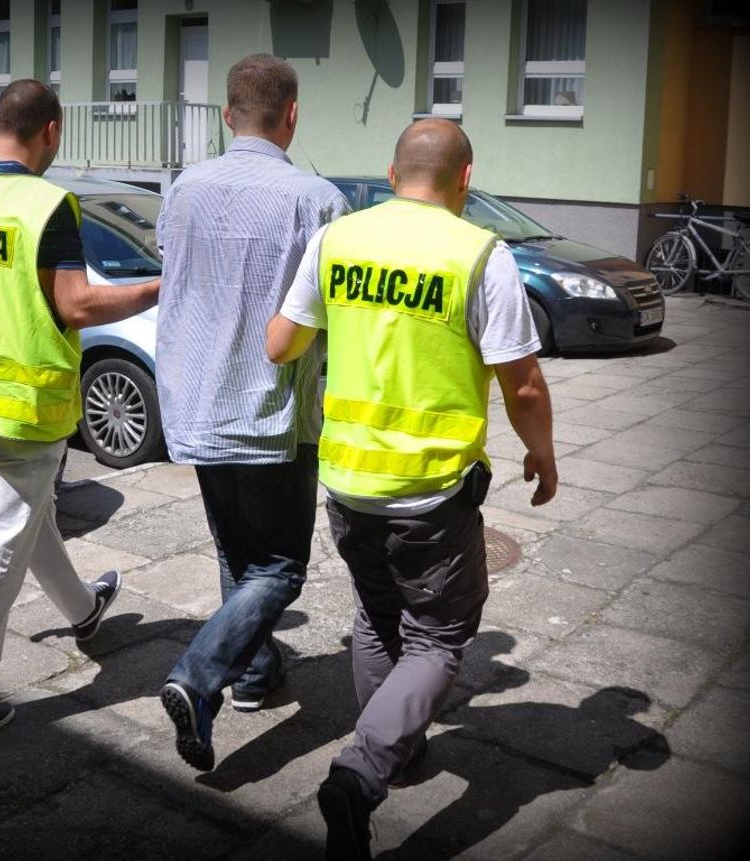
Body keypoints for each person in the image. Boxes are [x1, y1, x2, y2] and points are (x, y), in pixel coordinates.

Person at [266, 117, 558, 859]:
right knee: (438, 633)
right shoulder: (479, 254)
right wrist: (543, 454)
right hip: (430, 489)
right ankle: (363, 768)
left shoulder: (339, 240)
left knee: (375, 612)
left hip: (349, 479)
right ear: (466, 178)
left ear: (395, 175)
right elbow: (522, 383)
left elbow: (281, 343)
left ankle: (394, 751)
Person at [0, 79, 160, 739]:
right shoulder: (46, 205)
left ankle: (83, 608)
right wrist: (163, 285)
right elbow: (76, 305)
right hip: (27, 408)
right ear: (50, 131)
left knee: (26, 512)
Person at [154, 54, 349, 771]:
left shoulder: (182, 189)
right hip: (271, 410)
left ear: (228, 113)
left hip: (197, 399)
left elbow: (177, 275)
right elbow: (330, 314)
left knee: (237, 553)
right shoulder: (317, 199)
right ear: (291, 113)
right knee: (280, 568)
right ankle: (198, 677)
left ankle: (255, 676)